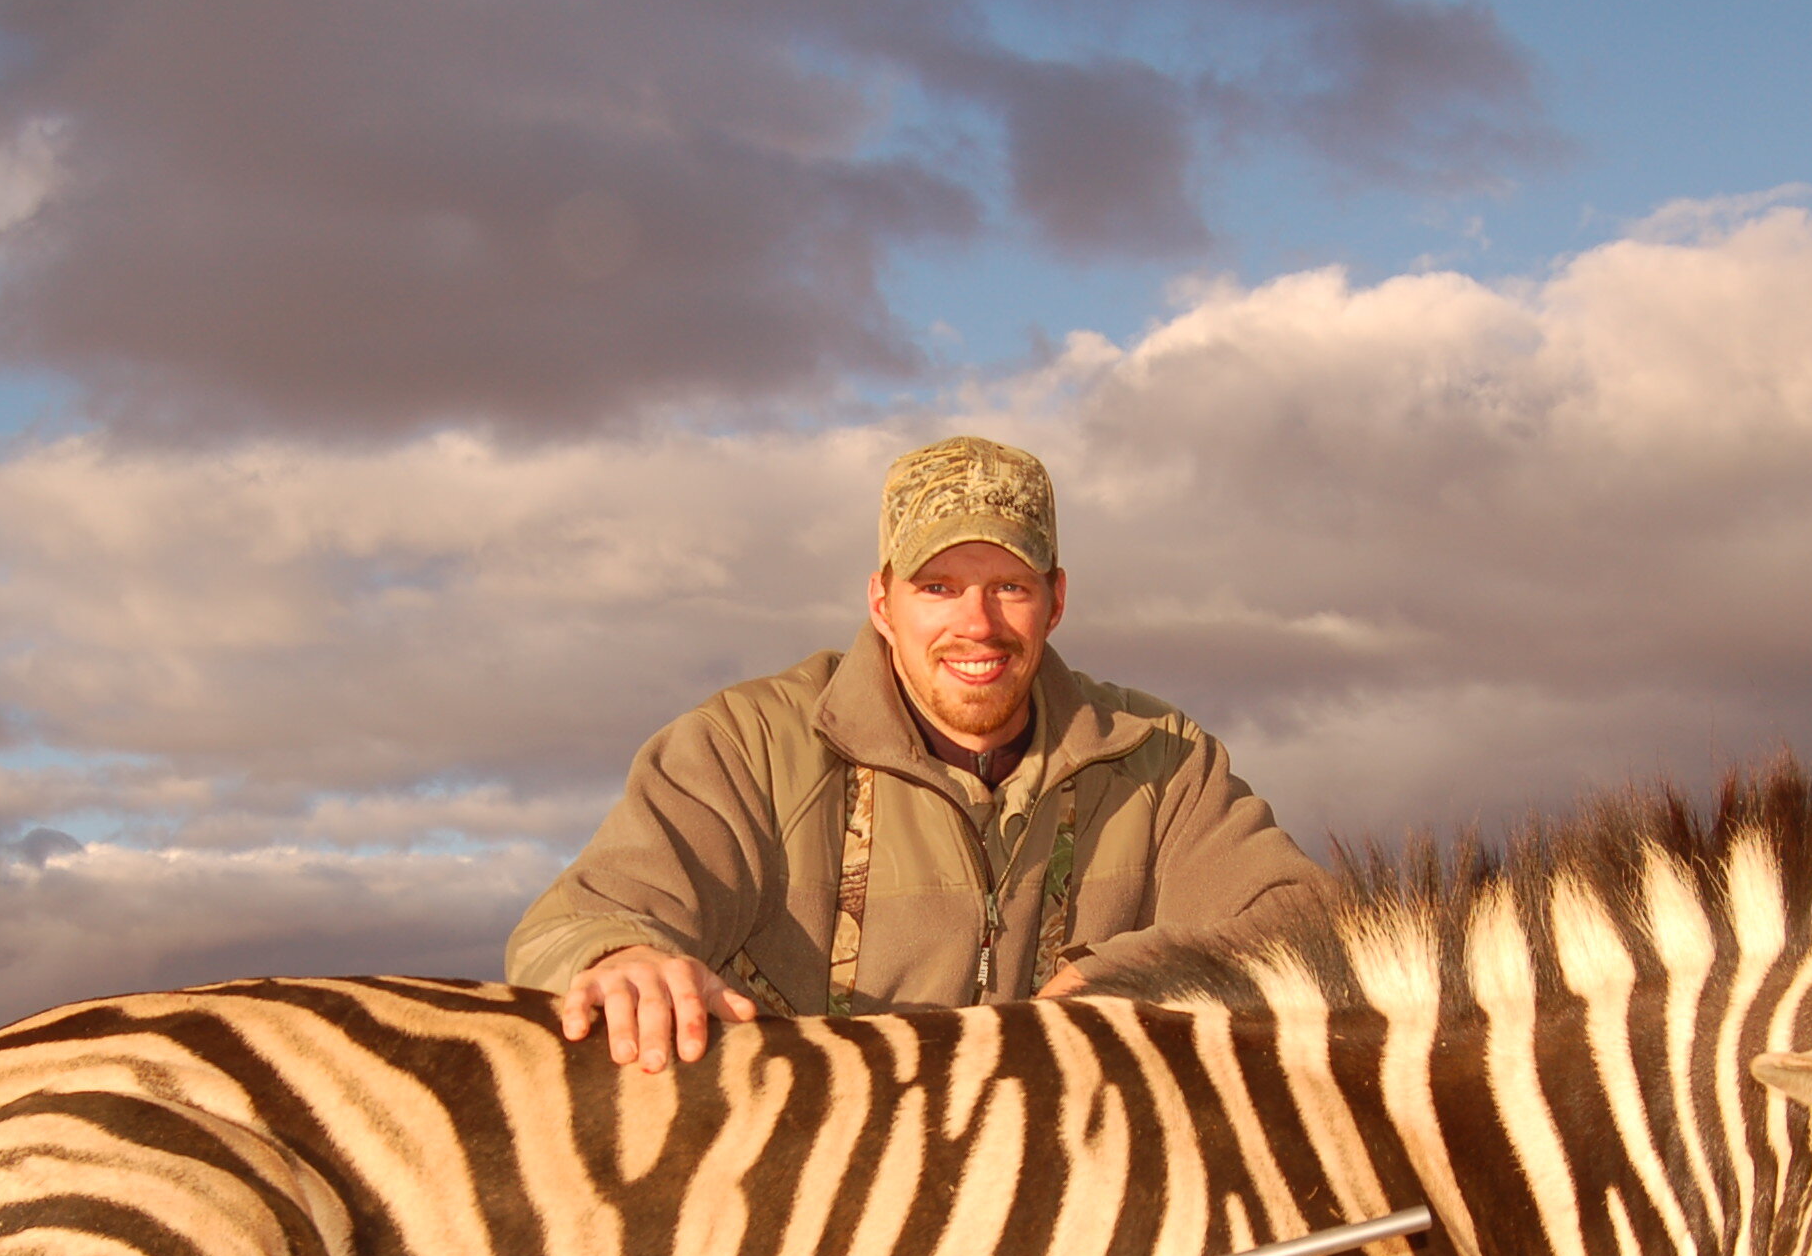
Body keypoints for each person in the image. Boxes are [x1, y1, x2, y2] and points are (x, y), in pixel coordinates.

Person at [507, 434, 1330, 1069]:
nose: (977, 624)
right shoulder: (748, 743)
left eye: (1010, 585)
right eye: (937, 588)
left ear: (1056, 601)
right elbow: (578, 921)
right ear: (881, 601)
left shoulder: (1159, 758)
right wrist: (626, 958)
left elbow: (1308, 917)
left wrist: (1127, 972)